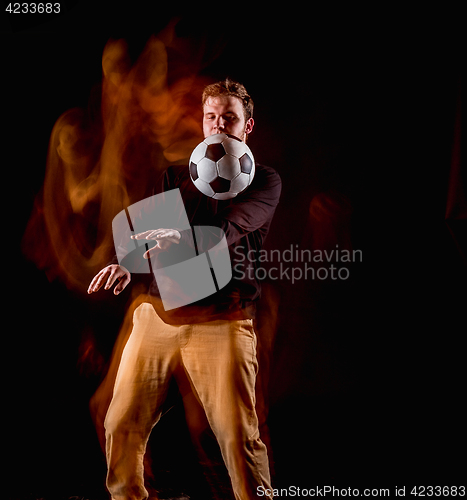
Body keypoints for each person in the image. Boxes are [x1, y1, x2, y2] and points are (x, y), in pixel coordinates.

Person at [88, 78, 281, 500]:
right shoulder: (175, 176)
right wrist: (128, 265)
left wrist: (185, 238)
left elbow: (229, 229)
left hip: (223, 320)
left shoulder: (264, 181)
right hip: (157, 316)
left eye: (229, 118)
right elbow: (147, 239)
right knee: (120, 425)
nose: (218, 126)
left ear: (247, 126)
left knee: (237, 440)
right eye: (211, 117)